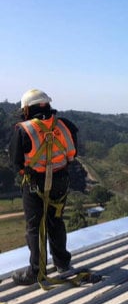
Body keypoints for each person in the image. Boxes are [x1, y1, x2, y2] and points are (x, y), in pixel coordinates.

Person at [9, 89, 78, 285]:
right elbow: (73, 154)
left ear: (27, 109)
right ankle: (63, 264)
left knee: (35, 227)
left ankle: (36, 271)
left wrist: (31, 172)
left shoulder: (23, 129)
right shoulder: (65, 125)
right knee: (56, 221)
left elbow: (17, 163)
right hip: (61, 181)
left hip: (35, 184)